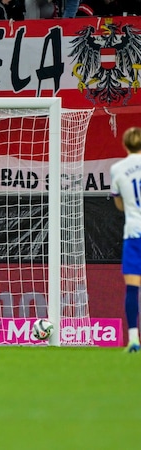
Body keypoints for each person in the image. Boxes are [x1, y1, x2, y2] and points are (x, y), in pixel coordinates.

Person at [110, 127, 141, 353]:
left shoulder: (118, 169)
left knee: (132, 288)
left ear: (125, 145)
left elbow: (119, 204)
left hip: (133, 233)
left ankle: (133, 339)